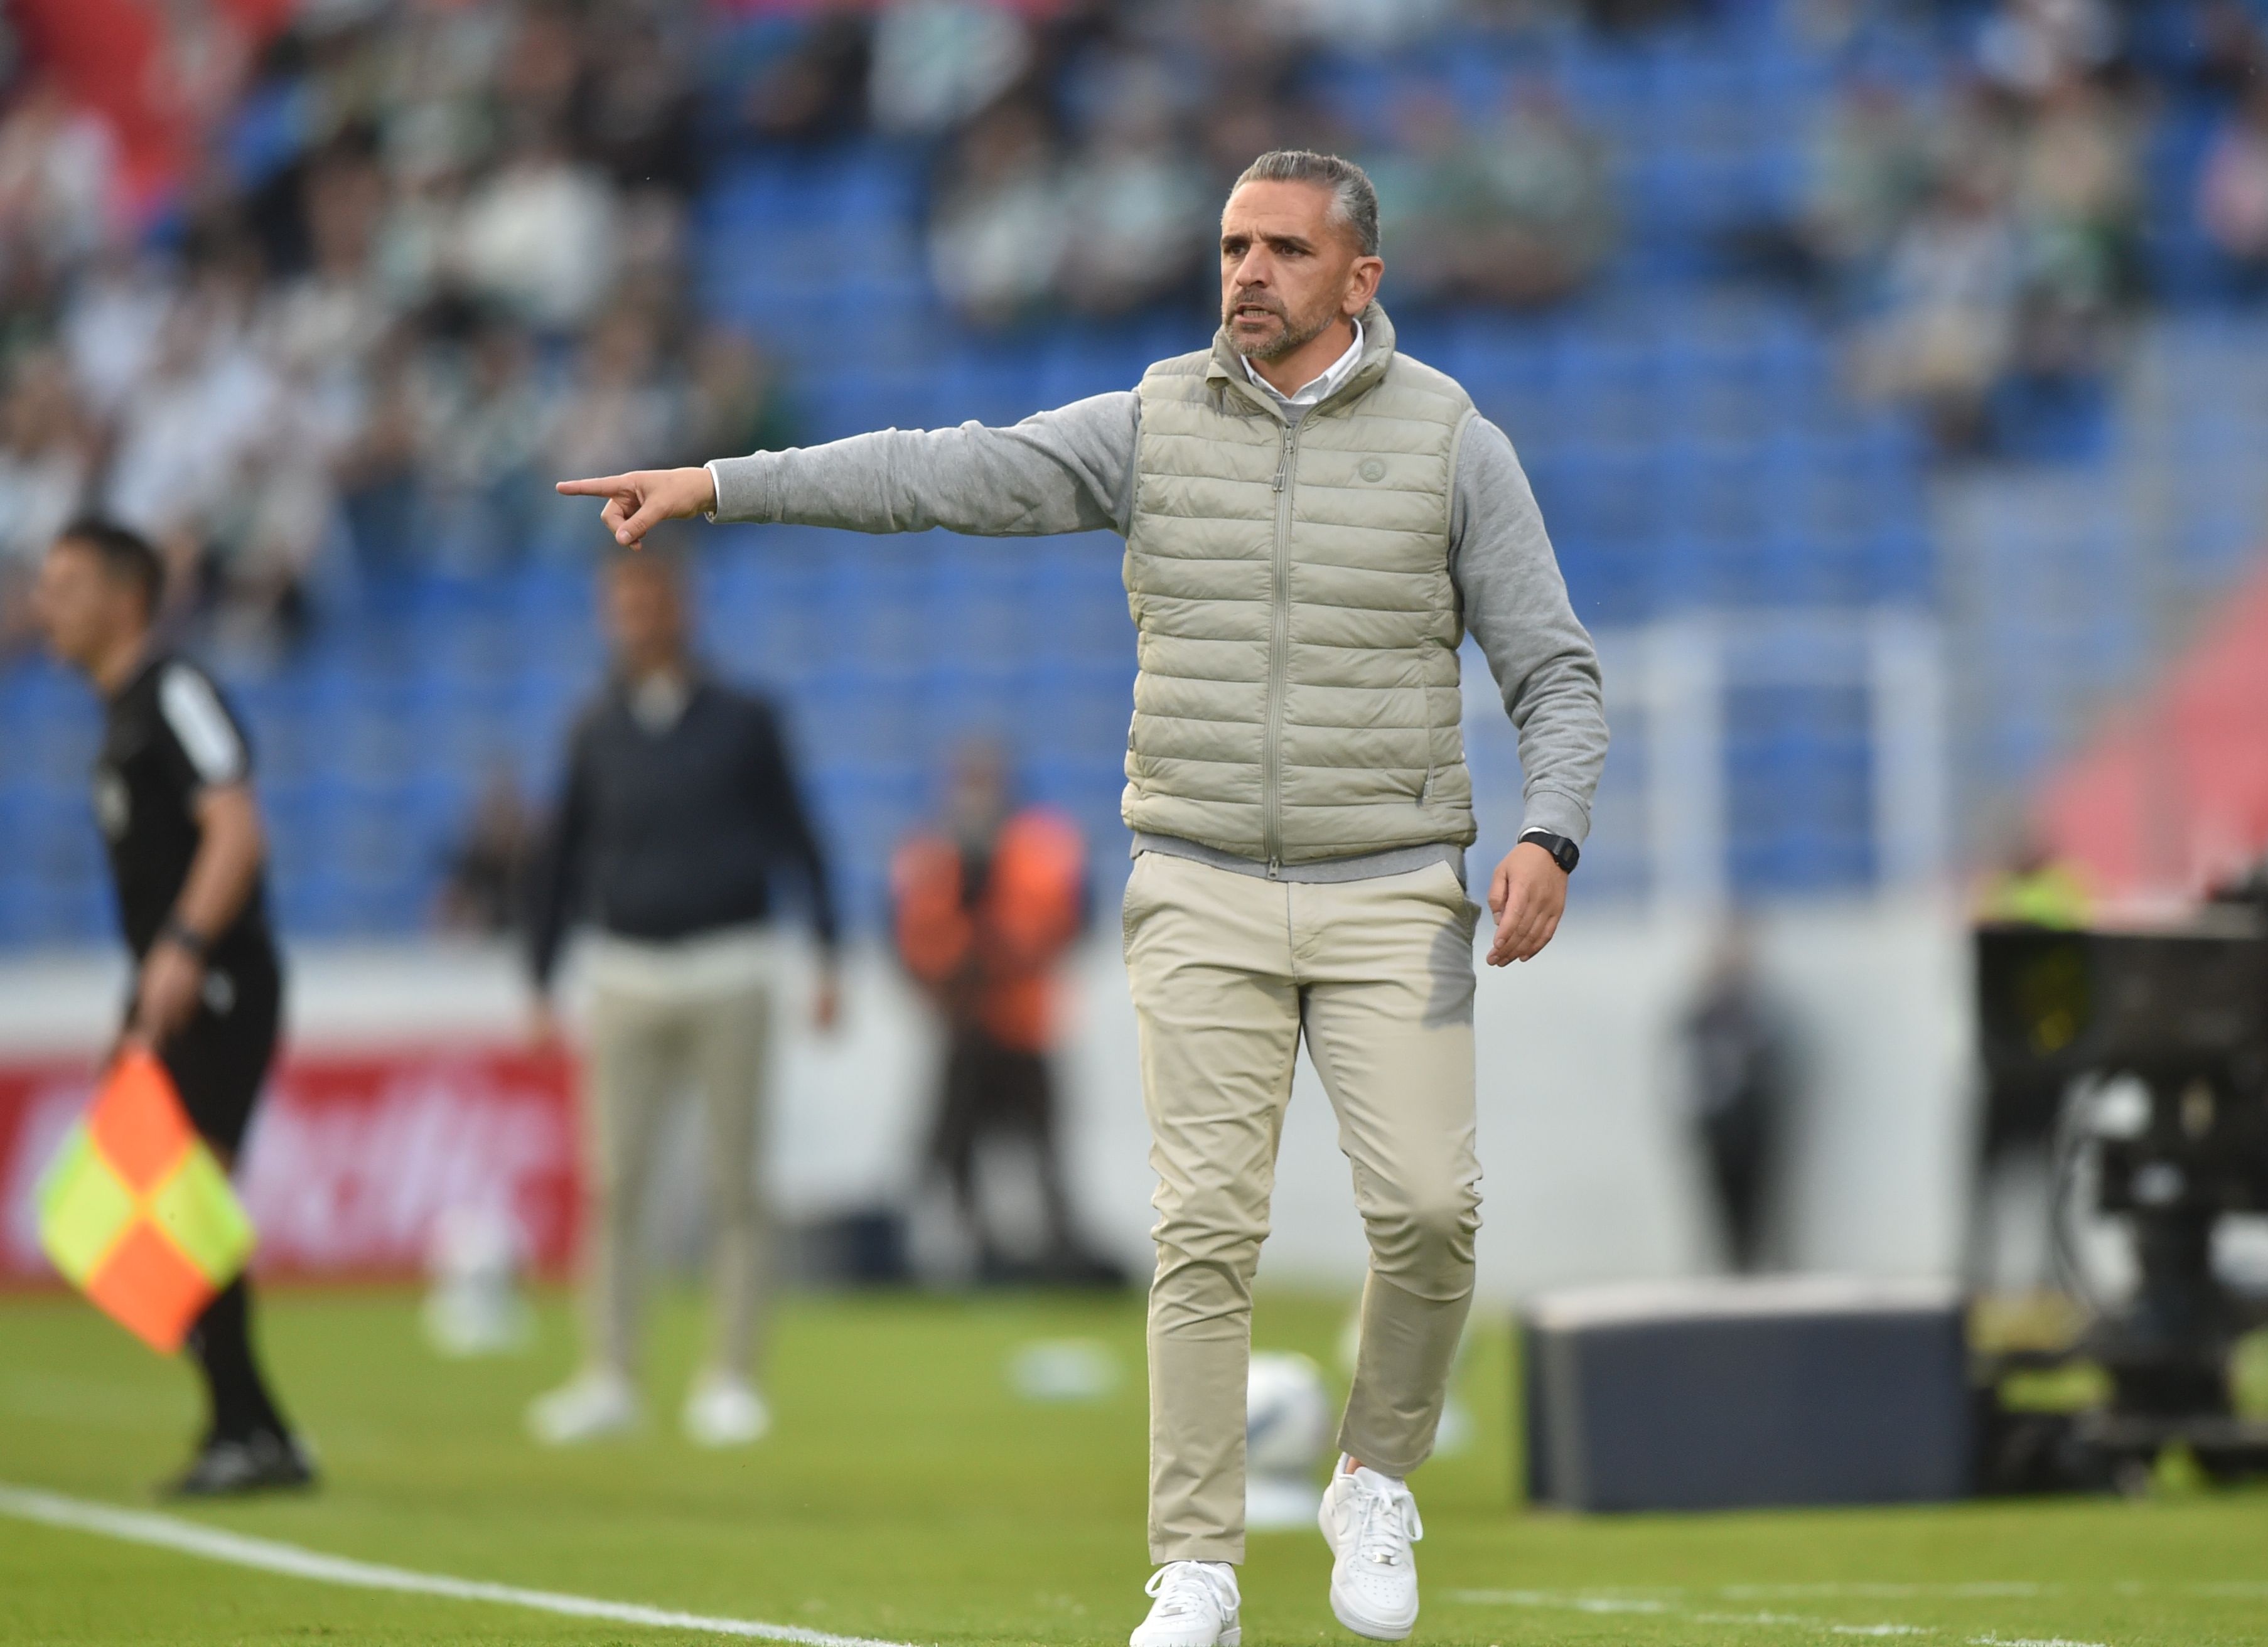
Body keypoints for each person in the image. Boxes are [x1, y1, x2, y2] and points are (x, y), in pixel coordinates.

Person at [558, 148, 1608, 1646]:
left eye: (1285, 250)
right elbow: (937, 470)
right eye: (1233, 246)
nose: (1248, 272)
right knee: (1205, 1231)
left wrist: (1550, 832)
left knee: (1433, 1213)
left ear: (1362, 277)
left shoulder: (1453, 442)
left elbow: (1553, 669)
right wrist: (722, 484)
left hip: (1391, 885)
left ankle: (1374, 1471)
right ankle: (1198, 1567)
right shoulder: (1151, 424)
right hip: (1198, 880)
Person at [523, 542, 842, 1450]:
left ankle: (731, 1377)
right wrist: (539, 976)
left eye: (652, 602)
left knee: (735, 1183)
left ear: (684, 607)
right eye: (624, 606)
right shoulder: (594, 728)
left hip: (730, 966)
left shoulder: (745, 719)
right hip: (625, 971)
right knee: (615, 1184)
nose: (639, 621)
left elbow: (800, 836)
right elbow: (560, 857)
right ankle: (609, 1374)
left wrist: (829, 954)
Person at [30, 518, 313, 1496]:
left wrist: (187, 948)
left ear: (126, 598)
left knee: (182, 1202)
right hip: (175, 984)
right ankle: (254, 1428)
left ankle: (249, 1433)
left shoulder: (174, 691)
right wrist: (138, 1004)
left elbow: (236, 827)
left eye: (66, 585)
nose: (45, 605)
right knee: (171, 1206)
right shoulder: (122, 716)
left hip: (220, 980)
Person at [893, 738, 1102, 1280]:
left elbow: (1065, 920)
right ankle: (972, 1248)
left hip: (1021, 1027)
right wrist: (954, 966)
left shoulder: (1039, 845)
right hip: (965, 1031)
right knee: (953, 1152)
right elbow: (910, 940)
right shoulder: (933, 853)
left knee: (1042, 1150)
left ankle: (1057, 1250)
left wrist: (991, 951)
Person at [1674, 920, 1793, 1273]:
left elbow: (1775, 1066)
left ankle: (1754, 1263)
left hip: (1754, 1121)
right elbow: (1689, 1067)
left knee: (1759, 1198)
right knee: (1721, 1199)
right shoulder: (1702, 1013)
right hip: (1718, 1125)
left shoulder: (1760, 1012)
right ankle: (1731, 1264)